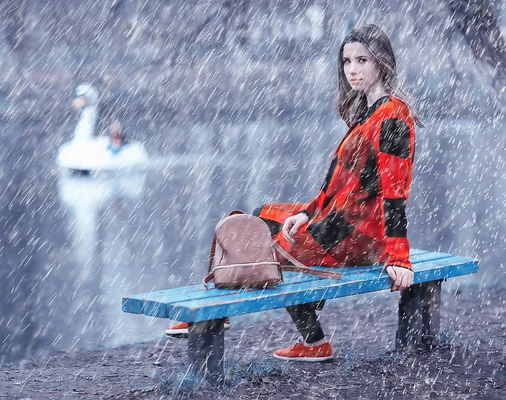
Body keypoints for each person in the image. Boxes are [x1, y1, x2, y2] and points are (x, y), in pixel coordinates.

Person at [166, 24, 421, 361]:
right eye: (346, 62)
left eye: (362, 60)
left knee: (266, 244)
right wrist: (307, 213)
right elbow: (336, 187)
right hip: (341, 222)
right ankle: (312, 343)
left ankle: (219, 312)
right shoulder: (368, 112)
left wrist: (399, 259)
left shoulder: (391, 117)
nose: (353, 70)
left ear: (382, 63)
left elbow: (395, 193)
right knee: (261, 217)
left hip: (356, 234)